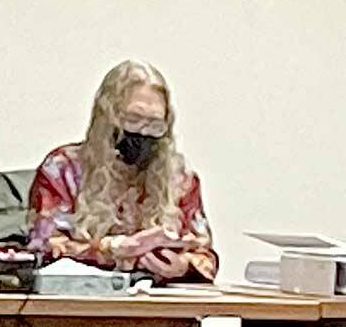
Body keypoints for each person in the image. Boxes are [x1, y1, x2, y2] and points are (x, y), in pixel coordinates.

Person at [28, 60, 217, 282]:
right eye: (133, 119)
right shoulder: (62, 169)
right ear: (108, 118)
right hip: (82, 296)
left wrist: (183, 266)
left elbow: (205, 255)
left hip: (155, 297)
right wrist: (112, 249)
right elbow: (43, 247)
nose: (143, 132)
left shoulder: (179, 178)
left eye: (155, 124)